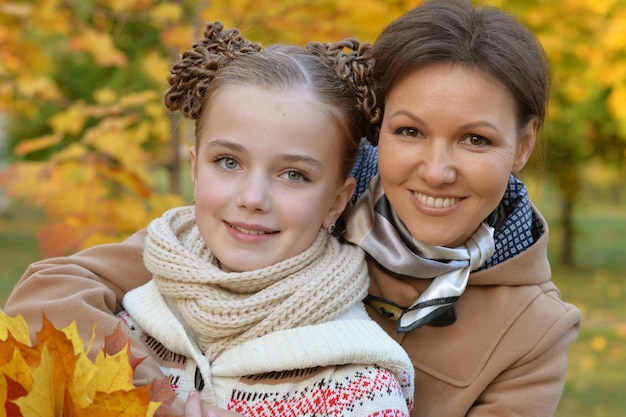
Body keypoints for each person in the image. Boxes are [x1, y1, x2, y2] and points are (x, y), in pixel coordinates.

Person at [5, 1, 582, 416]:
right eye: (410, 131)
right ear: (377, 133)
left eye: (475, 140)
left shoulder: (532, 331)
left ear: (523, 145)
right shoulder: (292, 215)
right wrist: (147, 398)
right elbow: (57, 287)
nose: (436, 170)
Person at [123, 21, 416, 415]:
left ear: (336, 201)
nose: (253, 198)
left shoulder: (359, 387)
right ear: (195, 170)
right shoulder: (121, 325)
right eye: (228, 162)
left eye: (294, 174)